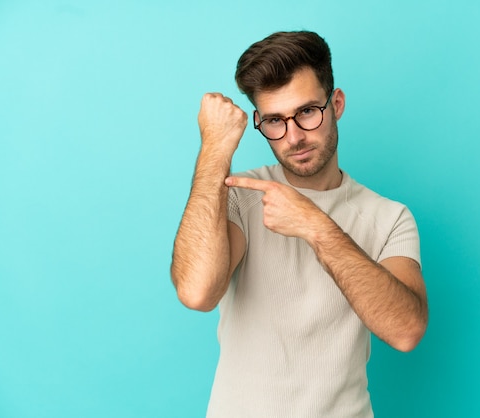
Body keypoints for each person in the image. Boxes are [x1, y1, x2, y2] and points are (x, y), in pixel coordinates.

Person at [170, 30, 428, 418]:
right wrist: (215, 149)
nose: (294, 137)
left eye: (307, 111)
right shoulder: (241, 196)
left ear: (336, 103)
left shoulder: (390, 218)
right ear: (258, 121)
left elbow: (406, 330)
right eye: (275, 120)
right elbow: (197, 292)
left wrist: (316, 225)